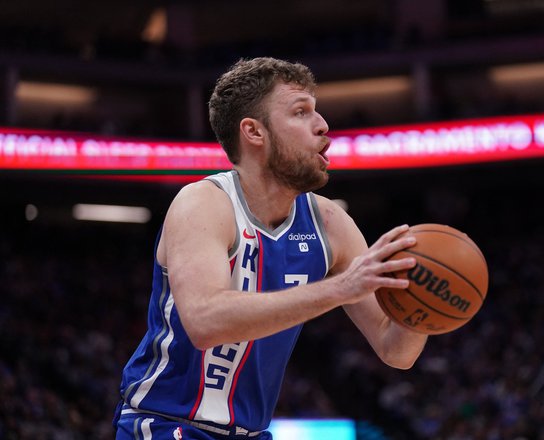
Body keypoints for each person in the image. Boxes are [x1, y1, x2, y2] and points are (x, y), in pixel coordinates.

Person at [114, 57, 428, 439]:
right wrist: (340, 288)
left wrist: (420, 308)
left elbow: (396, 351)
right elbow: (205, 322)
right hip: (165, 425)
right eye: (301, 111)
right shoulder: (204, 203)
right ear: (254, 132)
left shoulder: (330, 224)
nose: (323, 124)